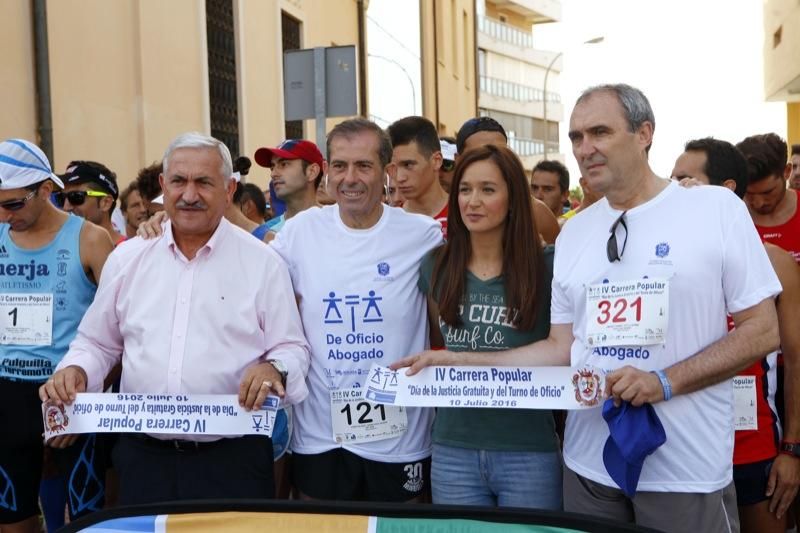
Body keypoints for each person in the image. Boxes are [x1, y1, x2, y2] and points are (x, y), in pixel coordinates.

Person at [396, 84, 781, 532]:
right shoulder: (575, 234)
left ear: (644, 133)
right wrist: (456, 360)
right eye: (576, 137)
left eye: (599, 132)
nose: (585, 148)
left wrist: (664, 382)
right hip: (588, 468)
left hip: (684, 470)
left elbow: (762, 331)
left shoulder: (714, 208)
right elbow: (560, 348)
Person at [40, 132, 311, 505]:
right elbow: (98, 342)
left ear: (229, 189)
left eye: (204, 182)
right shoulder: (128, 258)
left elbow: (292, 347)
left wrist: (275, 368)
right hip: (143, 458)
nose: (189, 194)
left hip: (233, 460)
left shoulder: (263, 263)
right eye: (179, 181)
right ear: (164, 187)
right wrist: (77, 370)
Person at [270, 118, 443, 503]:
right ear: (327, 170)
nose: (350, 178)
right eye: (340, 166)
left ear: (387, 172)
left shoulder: (423, 235)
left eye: (363, 166)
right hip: (319, 435)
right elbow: (251, 281)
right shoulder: (298, 233)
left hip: (399, 437)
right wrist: (169, 226)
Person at [420, 143, 561, 509]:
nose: (473, 201)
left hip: (528, 449)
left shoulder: (548, 266)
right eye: (464, 189)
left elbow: (562, 348)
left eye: (488, 190)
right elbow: (441, 341)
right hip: (453, 448)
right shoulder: (435, 265)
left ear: (513, 199)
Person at [672, 137, 800, 533]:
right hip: (684, 450)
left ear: (723, 191)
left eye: (685, 180)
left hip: (755, 447)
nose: (672, 189)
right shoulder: (662, 261)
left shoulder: (774, 264)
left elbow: (795, 359)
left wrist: (792, 450)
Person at [0, 139, 113, 533]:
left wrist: (88, 394)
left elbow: (119, 330)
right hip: (8, 395)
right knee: (12, 519)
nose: (4, 215)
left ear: (46, 190)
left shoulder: (92, 239)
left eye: (13, 204)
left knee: (87, 519)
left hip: (72, 392)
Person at [455, 117, 560, 244]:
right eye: (479, 154)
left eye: (500, 152)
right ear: (458, 160)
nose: (491, 159)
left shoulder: (534, 212)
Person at [736, 134, 800, 263]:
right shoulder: (730, 217)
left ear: (787, 171)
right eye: (749, 193)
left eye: (767, 192)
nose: (758, 203)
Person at [387, 116, 449, 236]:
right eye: (393, 167)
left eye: (408, 165)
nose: (399, 178)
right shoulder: (389, 224)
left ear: (436, 161)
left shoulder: (466, 214)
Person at [253, 139, 324, 240]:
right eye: (272, 167)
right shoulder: (264, 234)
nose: (273, 174)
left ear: (312, 171)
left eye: (283, 164)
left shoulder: (340, 224)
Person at [56, 161, 125, 245]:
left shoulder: (132, 252)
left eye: (76, 197)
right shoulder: (61, 249)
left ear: (106, 203)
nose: (65, 207)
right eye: (61, 198)